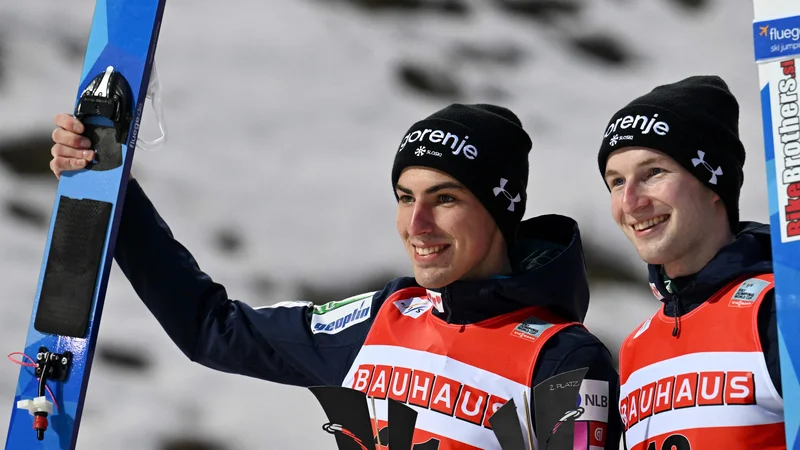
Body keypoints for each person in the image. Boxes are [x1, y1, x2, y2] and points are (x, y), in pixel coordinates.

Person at [51, 103, 622, 449]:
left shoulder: (564, 360)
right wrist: (112, 192)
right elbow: (211, 329)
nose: (416, 223)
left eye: (444, 198)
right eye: (404, 197)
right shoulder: (385, 319)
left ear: (500, 210)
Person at [596, 75, 785, 450]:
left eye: (653, 173)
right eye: (616, 181)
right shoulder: (636, 346)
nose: (631, 203)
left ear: (713, 182)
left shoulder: (778, 308)